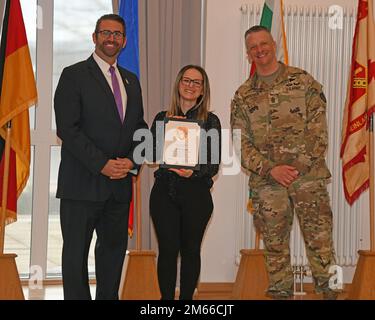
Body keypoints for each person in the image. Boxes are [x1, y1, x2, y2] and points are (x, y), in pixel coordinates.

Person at [230, 25, 338, 300]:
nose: (260, 50)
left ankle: (331, 293)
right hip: (268, 182)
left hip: (308, 177)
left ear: (273, 44)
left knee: (321, 244)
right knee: (275, 246)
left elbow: (319, 130)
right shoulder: (243, 95)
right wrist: (271, 169)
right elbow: (240, 143)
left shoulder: (303, 81)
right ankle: (280, 294)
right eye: (253, 47)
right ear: (248, 53)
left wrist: (299, 165)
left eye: (263, 43)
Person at [54, 14, 147, 300]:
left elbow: (139, 127)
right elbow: (68, 129)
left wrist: (133, 161)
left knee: (112, 255)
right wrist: (102, 164)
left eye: (117, 34)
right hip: (82, 184)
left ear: (124, 40)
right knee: (75, 256)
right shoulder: (74, 75)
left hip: (119, 188)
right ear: (94, 37)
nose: (111, 38)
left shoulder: (131, 80)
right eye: (105, 32)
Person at [149, 65, 221, 300]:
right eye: (186, 80)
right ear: (179, 84)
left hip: (196, 195)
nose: (190, 86)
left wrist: (193, 173)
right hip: (164, 194)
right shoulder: (162, 117)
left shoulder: (211, 121)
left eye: (196, 82)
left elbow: (213, 165)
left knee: (191, 251)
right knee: (168, 251)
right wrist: (167, 130)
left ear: (202, 90)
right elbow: (149, 154)